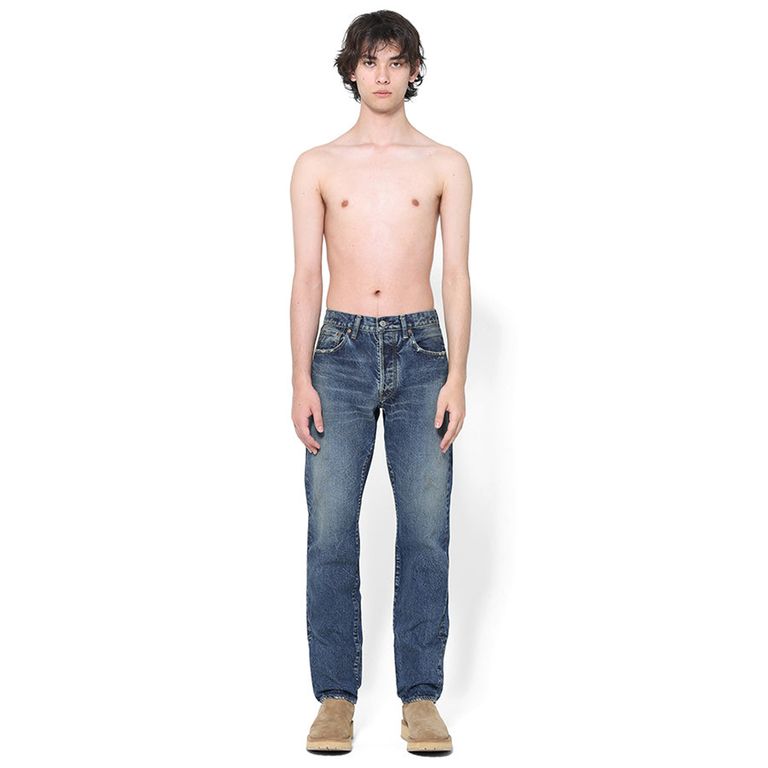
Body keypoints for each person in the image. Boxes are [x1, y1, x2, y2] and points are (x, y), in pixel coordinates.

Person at [289, 10, 471, 754]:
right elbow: (306, 276)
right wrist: (299, 376)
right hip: (338, 353)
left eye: (397, 61)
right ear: (351, 70)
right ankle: (335, 697)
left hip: (423, 351)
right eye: (370, 61)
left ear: (414, 70)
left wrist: (458, 375)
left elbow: (456, 275)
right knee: (331, 528)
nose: (383, 74)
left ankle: (420, 698)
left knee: (425, 529)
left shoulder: (445, 164)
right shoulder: (317, 165)